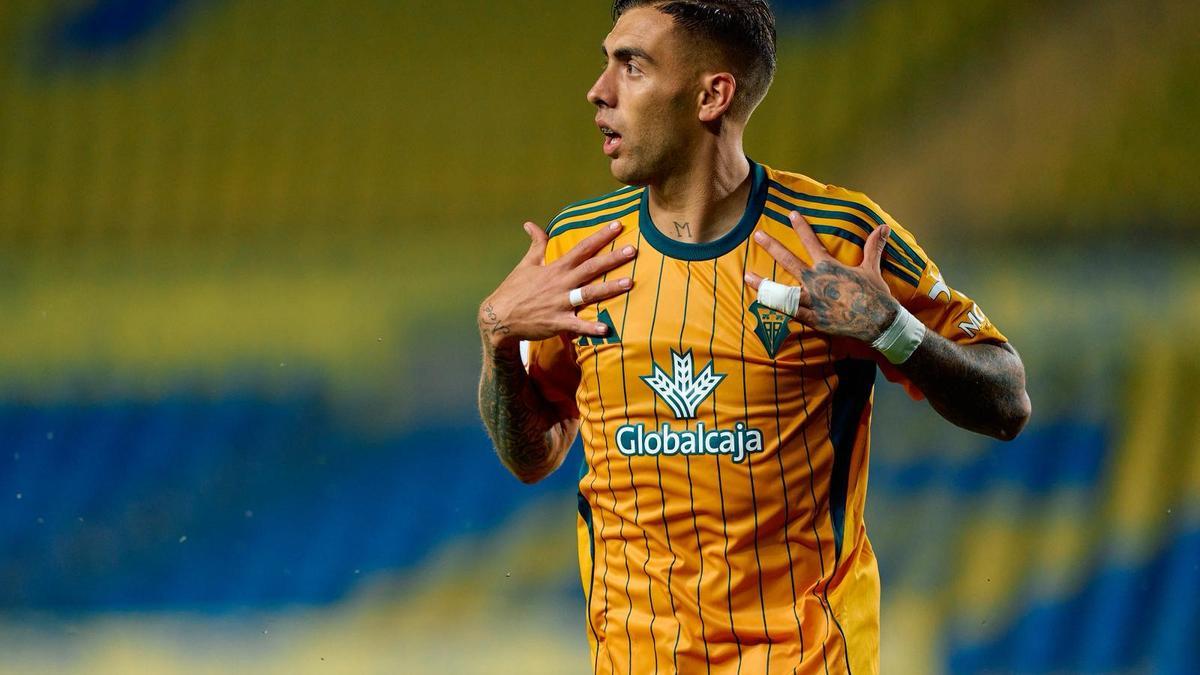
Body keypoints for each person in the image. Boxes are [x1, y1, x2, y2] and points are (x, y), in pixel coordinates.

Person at [476, 1, 1031, 672]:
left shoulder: (838, 238)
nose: (599, 91)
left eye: (632, 66)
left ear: (712, 96)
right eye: (607, 63)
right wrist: (498, 342)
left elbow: (1007, 401)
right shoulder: (580, 247)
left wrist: (893, 330)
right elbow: (533, 456)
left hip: (803, 658)